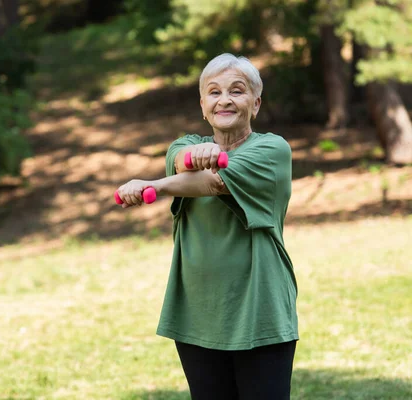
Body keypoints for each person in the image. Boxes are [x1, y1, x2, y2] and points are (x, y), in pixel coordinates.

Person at [115, 53, 299, 400]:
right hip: (197, 312)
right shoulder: (182, 146)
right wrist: (193, 158)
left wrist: (154, 185)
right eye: (214, 92)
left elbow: (213, 182)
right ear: (203, 106)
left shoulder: (272, 151)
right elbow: (181, 161)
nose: (225, 99)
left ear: (255, 104)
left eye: (237, 91)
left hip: (260, 312)